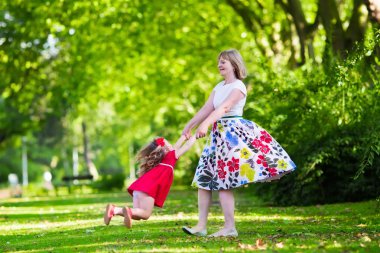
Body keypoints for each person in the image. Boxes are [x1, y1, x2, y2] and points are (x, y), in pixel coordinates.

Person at [181, 49, 296, 237]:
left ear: (234, 64)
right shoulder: (218, 87)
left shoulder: (239, 86)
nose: (220, 64)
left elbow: (225, 108)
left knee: (224, 182)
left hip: (232, 136)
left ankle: (229, 227)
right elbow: (206, 108)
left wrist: (205, 125)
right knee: (204, 179)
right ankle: (201, 226)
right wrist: (190, 125)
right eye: (219, 61)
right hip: (217, 136)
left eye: (224, 61)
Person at [104, 135, 196, 228]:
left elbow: (175, 147)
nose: (171, 145)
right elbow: (187, 146)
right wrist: (196, 135)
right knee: (145, 214)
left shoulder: (162, 159)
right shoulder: (171, 157)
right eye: (168, 143)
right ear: (166, 148)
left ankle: (115, 210)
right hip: (147, 190)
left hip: (138, 189)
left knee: (137, 214)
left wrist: (183, 137)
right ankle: (128, 211)